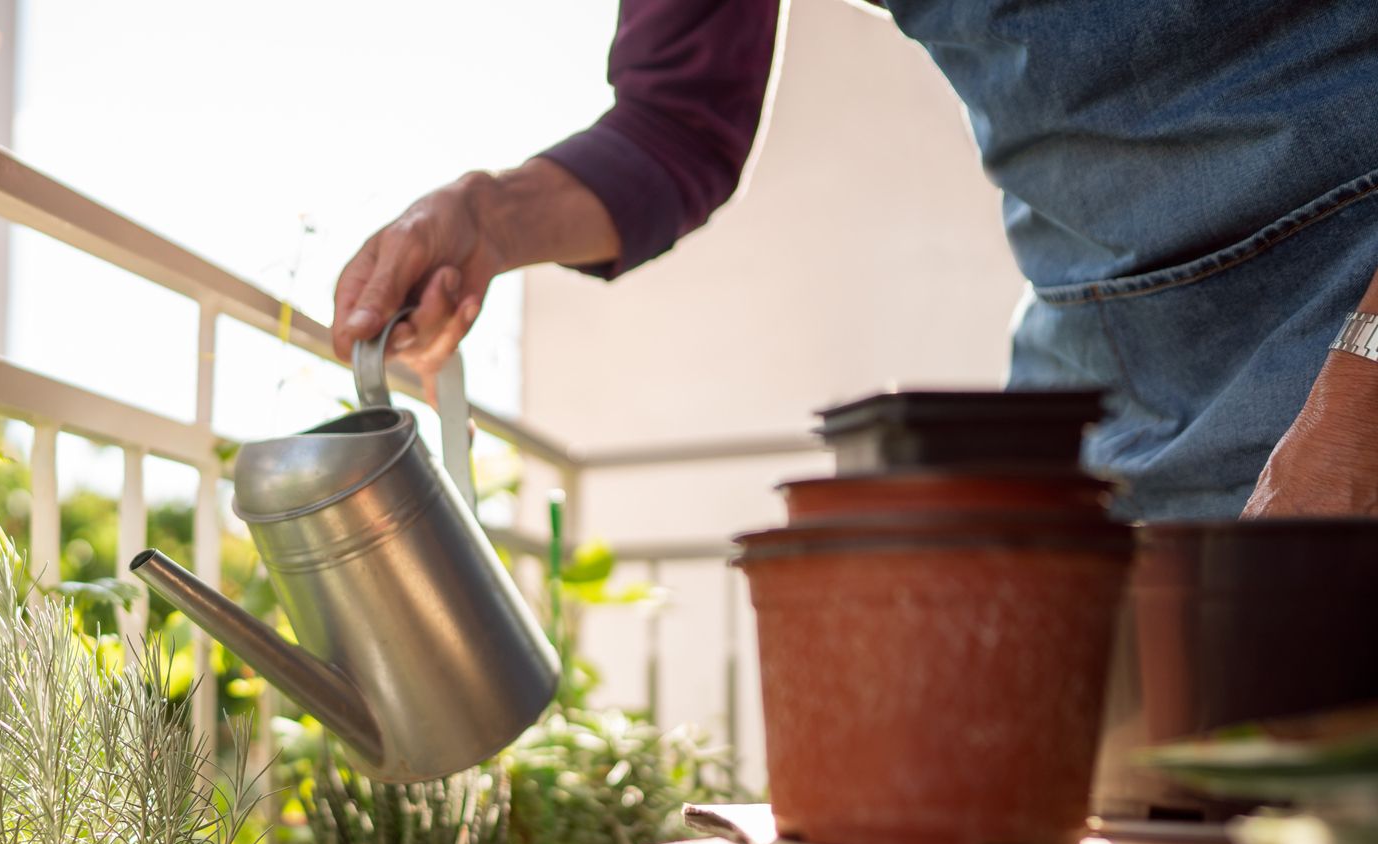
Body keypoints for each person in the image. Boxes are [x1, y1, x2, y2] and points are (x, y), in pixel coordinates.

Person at [331, 0, 1378, 521]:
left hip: (1353, 282)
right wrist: (488, 214)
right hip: (1100, 355)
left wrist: (1361, 389)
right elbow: (673, 125)